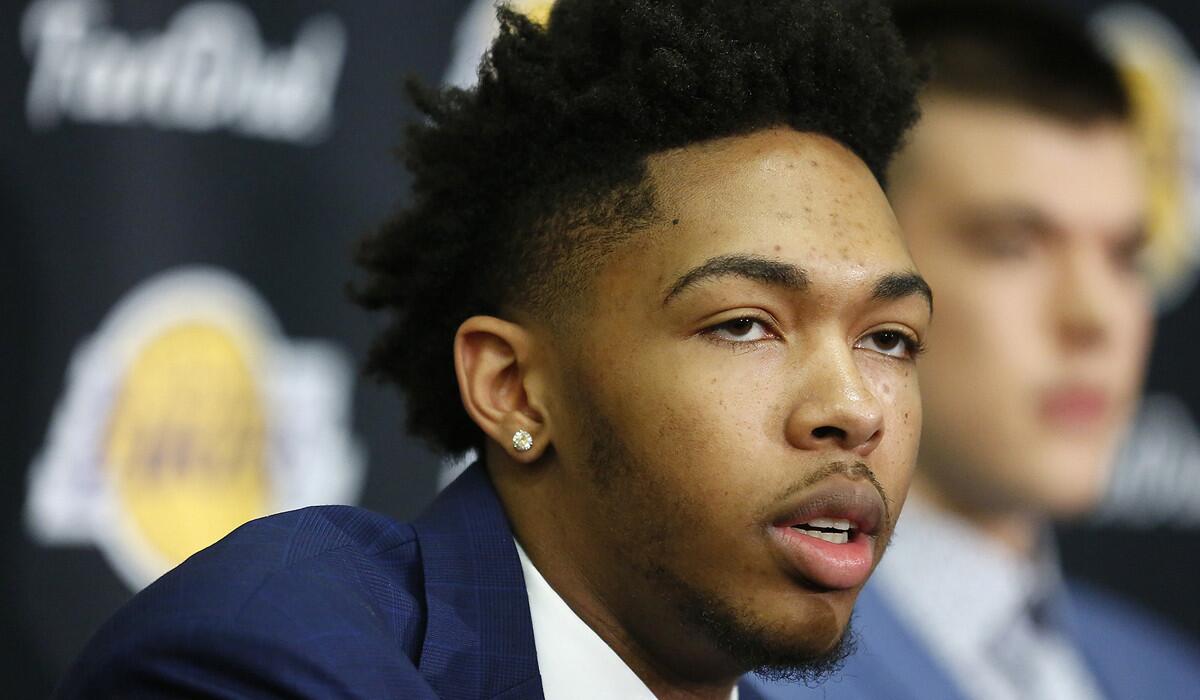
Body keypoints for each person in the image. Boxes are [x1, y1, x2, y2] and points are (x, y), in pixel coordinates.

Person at [56, 1, 931, 697]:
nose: (853, 409)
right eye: (743, 324)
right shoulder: (268, 661)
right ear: (512, 388)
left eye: (889, 339)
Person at [753, 2, 1200, 699]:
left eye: (1124, 255)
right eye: (1012, 245)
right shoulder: (726, 677)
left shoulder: (1167, 674)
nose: (1093, 317)